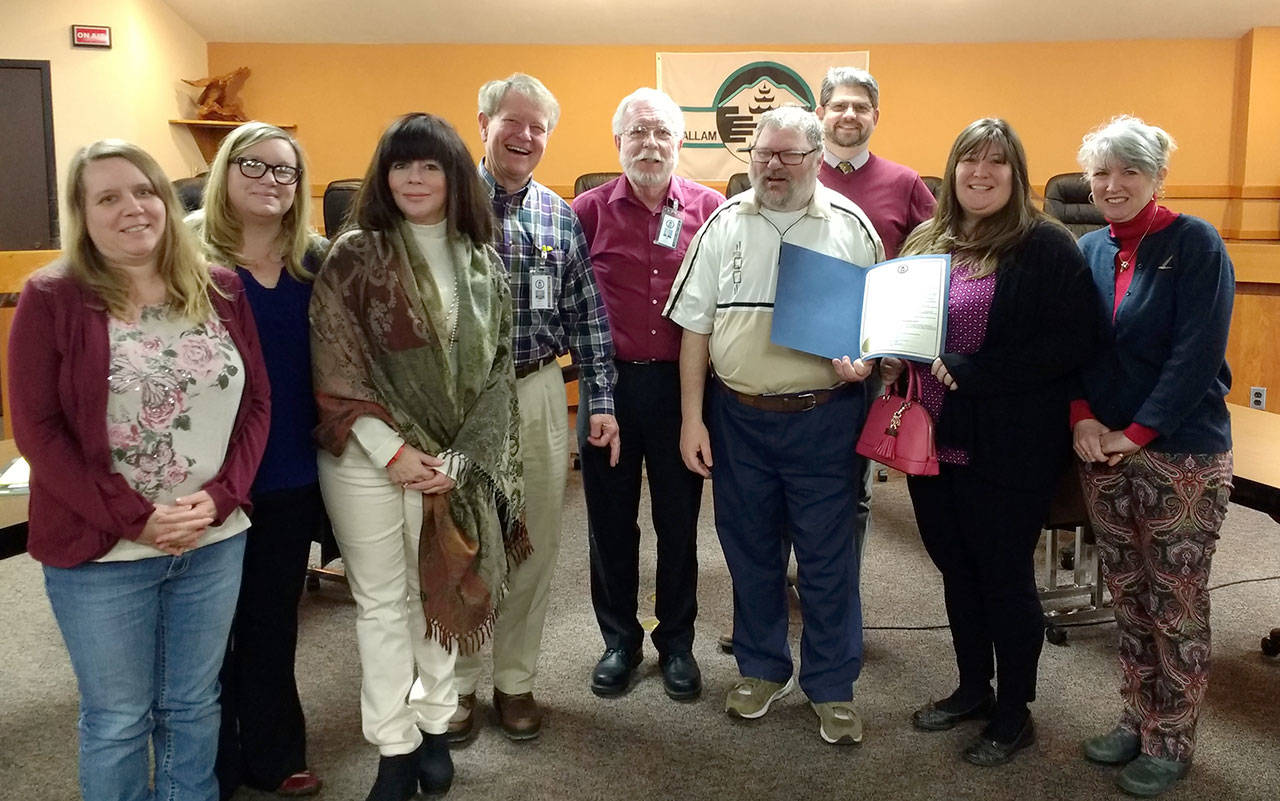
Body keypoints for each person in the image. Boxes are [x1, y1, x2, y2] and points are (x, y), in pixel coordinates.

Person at [8, 139, 270, 801]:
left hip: (214, 539)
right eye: (108, 196)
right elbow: (39, 432)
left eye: (145, 190)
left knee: (193, 703)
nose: (133, 207)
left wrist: (220, 498)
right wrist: (138, 518)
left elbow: (257, 402)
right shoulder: (52, 296)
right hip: (103, 549)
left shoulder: (222, 287)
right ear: (82, 212)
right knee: (118, 717)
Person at [836, 118, 1100, 766]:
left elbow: (1074, 343)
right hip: (929, 438)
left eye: (996, 164)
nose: (980, 174)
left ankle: (1015, 710)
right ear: (952, 171)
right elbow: (906, 327)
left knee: (1003, 576)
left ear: (1017, 174)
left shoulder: (1046, 246)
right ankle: (972, 687)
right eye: (969, 162)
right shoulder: (928, 239)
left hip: (1008, 445)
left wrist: (982, 371)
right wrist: (891, 359)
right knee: (957, 568)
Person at [310, 113, 525, 801]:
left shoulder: (483, 260)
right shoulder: (353, 257)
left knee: (439, 590)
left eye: (430, 165)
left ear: (454, 175)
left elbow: (498, 373)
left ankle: (435, 727)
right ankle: (394, 746)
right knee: (382, 603)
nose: (414, 177)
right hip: (367, 459)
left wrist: (459, 461)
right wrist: (395, 451)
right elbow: (335, 363)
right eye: (401, 164)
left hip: (451, 463)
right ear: (385, 175)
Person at [665, 106, 883, 745]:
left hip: (825, 420)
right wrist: (690, 421)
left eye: (788, 155)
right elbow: (694, 332)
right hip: (740, 420)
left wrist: (866, 363)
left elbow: (881, 325)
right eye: (763, 154)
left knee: (827, 557)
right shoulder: (722, 224)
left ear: (817, 159)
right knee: (750, 551)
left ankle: (832, 685)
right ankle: (761, 668)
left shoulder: (852, 227)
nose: (773, 166)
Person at [450, 72, 619, 743]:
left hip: (539, 389)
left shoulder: (559, 214)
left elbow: (589, 318)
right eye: (511, 121)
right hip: (460, 397)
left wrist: (600, 401)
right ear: (483, 123)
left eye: (537, 126)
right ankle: (458, 682)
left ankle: (514, 679)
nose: (524, 136)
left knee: (532, 543)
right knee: (462, 544)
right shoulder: (444, 207)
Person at [1072, 115, 1234, 798]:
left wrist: (1135, 432)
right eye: (1101, 173)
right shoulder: (1088, 250)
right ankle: (1136, 717)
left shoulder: (1193, 242)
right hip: (1101, 450)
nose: (1113, 184)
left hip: (1181, 453)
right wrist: (1082, 419)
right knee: (1129, 596)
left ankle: (1172, 738)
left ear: (1157, 177)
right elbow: (1073, 344)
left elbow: (1195, 355)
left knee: (1176, 599)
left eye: (1128, 171)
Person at [189, 121, 328, 799]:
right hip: (211, 477)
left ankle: (274, 752)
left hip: (291, 470)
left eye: (286, 171)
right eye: (255, 165)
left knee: (272, 621)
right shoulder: (185, 256)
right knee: (206, 632)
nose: (271, 180)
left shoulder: (315, 261)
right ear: (225, 172)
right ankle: (210, 762)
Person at [570, 88, 724, 701]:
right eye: (637, 133)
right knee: (609, 522)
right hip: (606, 388)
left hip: (682, 385)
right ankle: (620, 641)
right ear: (617, 143)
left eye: (662, 132)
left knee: (678, 520)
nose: (650, 144)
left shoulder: (711, 209)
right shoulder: (586, 211)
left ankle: (677, 643)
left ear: (680, 143)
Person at [814, 66, 936, 260]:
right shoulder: (799, 177)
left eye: (861, 108)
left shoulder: (906, 182)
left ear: (875, 117)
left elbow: (940, 247)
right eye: (839, 106)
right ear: (820, 114)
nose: (850, 115)